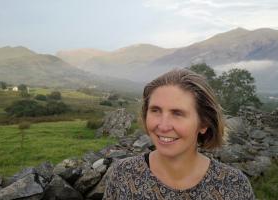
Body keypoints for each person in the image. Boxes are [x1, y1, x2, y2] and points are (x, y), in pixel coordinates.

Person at [103, 69, 255, 200]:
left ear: (203, 124)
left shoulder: (234, 185)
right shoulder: (123, 174)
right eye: (155, 110)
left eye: (177, 113)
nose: (163, 126)